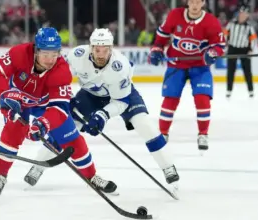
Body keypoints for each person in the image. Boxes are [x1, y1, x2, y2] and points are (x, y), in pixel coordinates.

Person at [24, 28, 180, 190]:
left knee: (144, 124)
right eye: (97, 49)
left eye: (105, 50)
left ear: (111, 49)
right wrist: (64, 98)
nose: (100, 54)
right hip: (90, 95)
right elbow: (59, 75)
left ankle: (167, 166)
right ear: (90, 47)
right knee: (64, 127)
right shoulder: (77, 56)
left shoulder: (120, 66)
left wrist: (103, 115)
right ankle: (38, 166)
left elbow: (121, 101)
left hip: (122, 97)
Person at [0, 27, 117, 198]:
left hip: (46, 104)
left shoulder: (61, 69)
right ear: (36, 50)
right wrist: (6, 93)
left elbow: (59, 108)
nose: (50, 59)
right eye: (45, 54)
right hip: (18, 100)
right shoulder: (19, 53)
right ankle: (0, 175)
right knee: (13, 132)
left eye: (55, 54)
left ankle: (91, 176)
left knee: (72, 139)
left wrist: (43, 123)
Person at [148, 0, 226, 152]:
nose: (195, 5)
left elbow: (219, 44)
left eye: (198, 2)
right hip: (176, 64)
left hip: (200, 66)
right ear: (187, 2)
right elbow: (161, 35)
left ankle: (203, 134)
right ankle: (163, 134)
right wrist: (157, 49)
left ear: (203, 3)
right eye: (192, 1)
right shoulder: (175, 15)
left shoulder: (211, 22)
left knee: (202, 99)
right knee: (170, 99)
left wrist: (213, 53)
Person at [224, 4, 257, 98]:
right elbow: (225, 35)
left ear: (247, 15)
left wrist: (251, 50)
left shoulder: (249, 27)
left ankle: (250, 90)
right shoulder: (231, 24)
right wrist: (224, 46)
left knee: (247, 71)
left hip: (244, 50)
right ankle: (229, 90)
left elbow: (254, 39)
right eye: (241, 13)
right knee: (230, 71)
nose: (242, 15)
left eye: (245, 14)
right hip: (232, 48)